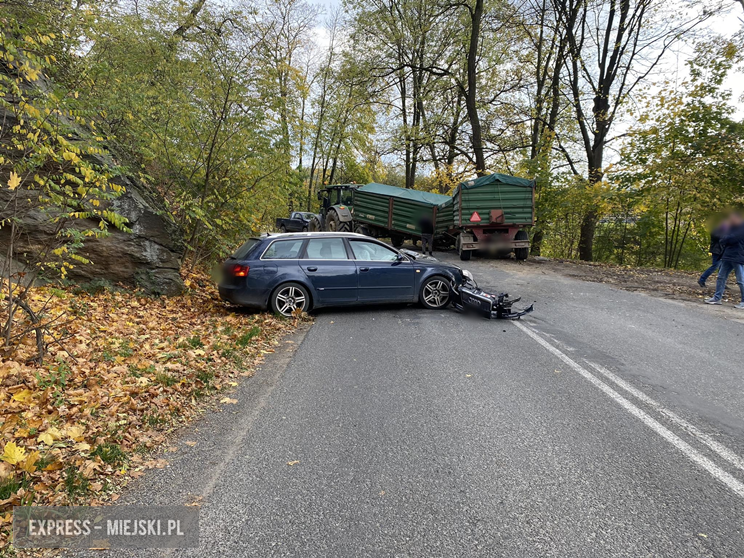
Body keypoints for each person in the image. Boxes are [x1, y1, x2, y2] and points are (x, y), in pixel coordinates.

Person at [705, 212, 744, 308]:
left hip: (738, 257)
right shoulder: (730, 228)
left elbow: (731, 239)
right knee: (721, 277)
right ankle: (717, 298)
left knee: (740, 280)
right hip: (727, 256)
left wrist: (726, 237)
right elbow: (720, 239)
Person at [698, 221, 725, 287]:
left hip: (722, 251)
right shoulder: (716, 231)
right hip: (716, 251)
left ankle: (722, 283)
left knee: (722, 268)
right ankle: (702, 279)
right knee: (715, 266)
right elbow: (719, 238)